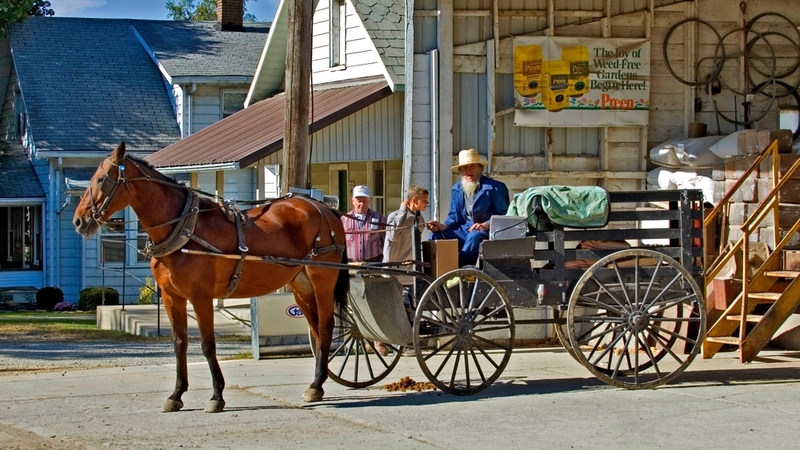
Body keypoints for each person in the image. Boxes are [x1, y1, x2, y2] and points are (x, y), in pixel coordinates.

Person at [427, 148, 510, 267]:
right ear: (460, 171)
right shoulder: (456, 189)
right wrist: (443, 226)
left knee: (474, 235)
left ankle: (461, 271)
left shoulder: (494, 187)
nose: (468, 171)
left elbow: (504, 215)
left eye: (472, 166)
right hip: (464, 230)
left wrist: (486, 224)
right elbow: (454, 217)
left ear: (480, 168)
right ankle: (436, 271)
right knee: (435, 236)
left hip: (487, 232)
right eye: (465, 168)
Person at [381, 185, 429, 357]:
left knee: (410, 307)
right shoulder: (395, 216)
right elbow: (393, 235)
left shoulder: (419, 219)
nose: (427, 204)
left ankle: (408, 342)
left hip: (409, 270)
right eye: (424, 201)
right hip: (393, 269)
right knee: (391, 306)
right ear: (414, 201)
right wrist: (403, 210)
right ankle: (382, 340)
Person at [341, 185, 386, 263]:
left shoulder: (379, 218)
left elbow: (385, 241)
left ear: (369, 201)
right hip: (351, 264)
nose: (361, 204)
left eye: (364, 201)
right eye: (359, 201)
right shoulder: (344, 219)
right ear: (352, 201)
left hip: (374, 263)